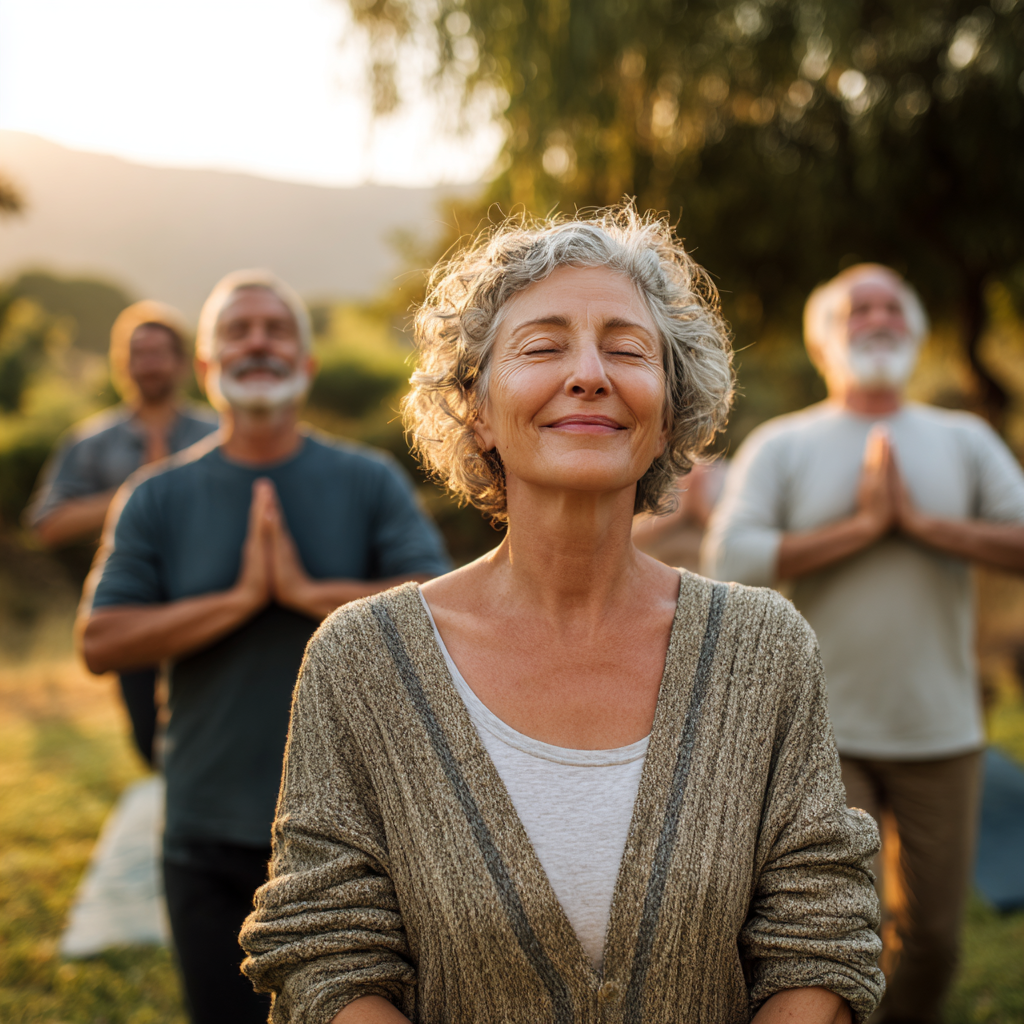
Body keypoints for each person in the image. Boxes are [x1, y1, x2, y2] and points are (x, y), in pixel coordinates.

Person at [239, 211, 884, 1024]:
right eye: (543, 347)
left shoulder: (765, 648)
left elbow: (820, 930)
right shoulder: (363, 661)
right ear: (475, 409)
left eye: (626, 349)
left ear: (671, 412)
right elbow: (326, 948)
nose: (589, 374)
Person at [78, 269, 451, 1024]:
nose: (258, 342)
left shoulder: (368, 479)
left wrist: (306, 593)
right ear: (207, 368)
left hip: (360, 836)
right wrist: (238, 600)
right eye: (237, 331)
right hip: (206, 830)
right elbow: (100, 639)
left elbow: (441, 609)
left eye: (277, 329)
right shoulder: (154, 495)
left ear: (307, 364)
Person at [702, 264, 1024, 1024]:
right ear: (825, 340)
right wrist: (859, 529)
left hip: (942, 728)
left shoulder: (964, 438)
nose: (875, 318)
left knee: (936, 939)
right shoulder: (784, 444)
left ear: (911, 331)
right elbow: (730, 559)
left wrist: (923, 526)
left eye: (890, 307)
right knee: (839, 937)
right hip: (822, 733)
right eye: (857, 309)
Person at [28, 301, 217, 765]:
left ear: (181, 361)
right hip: (131, 610)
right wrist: (138, 492)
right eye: (138, 353)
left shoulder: (219, 432)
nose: (148, 363)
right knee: (148, 743)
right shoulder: (90, 443)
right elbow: (48, 525)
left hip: (211, 602)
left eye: (158, 352)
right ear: (122, 364)